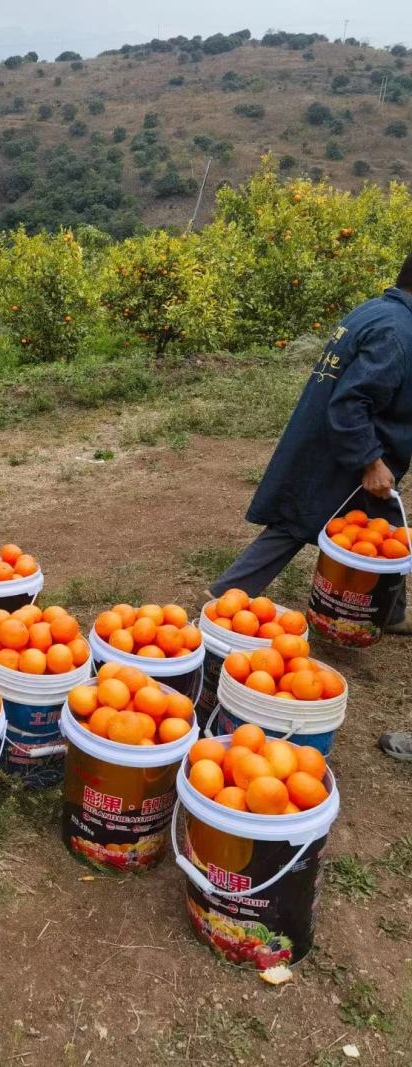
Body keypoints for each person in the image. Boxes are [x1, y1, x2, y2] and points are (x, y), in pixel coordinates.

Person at [209, 254, 412, 760]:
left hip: (330, 448)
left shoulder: (378, 312)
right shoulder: (398, 333)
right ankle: (225, 599)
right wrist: (369, 459)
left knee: (384, 533)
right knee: (299, 524)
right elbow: (352, 401)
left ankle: (390, 610)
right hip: (344, 454)